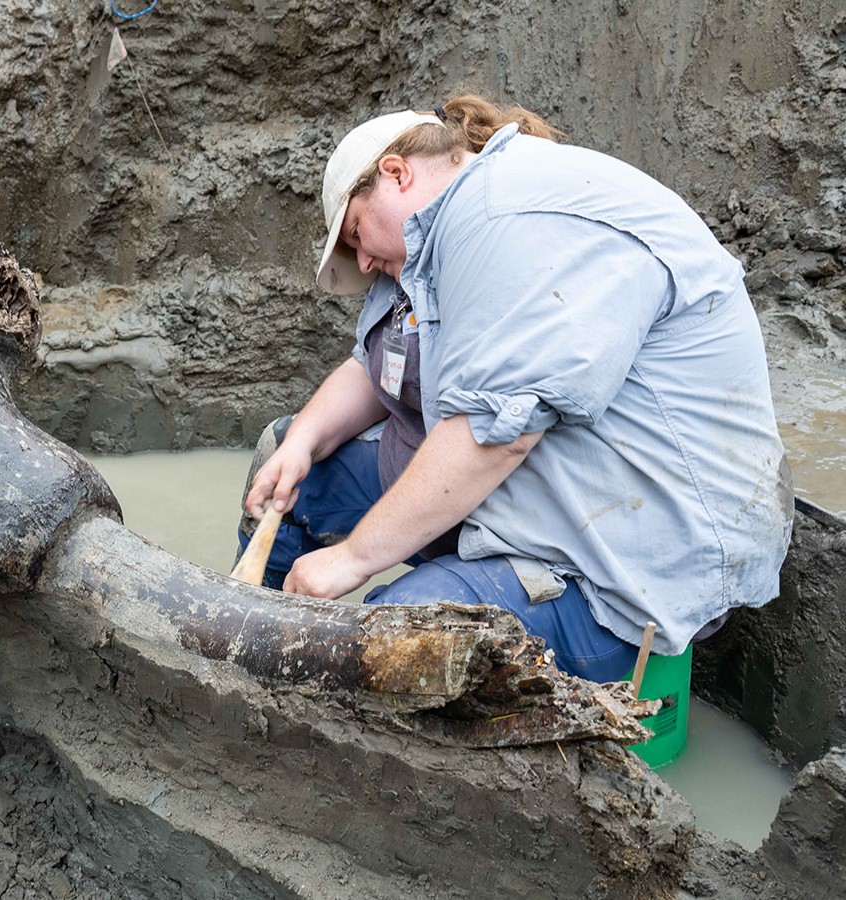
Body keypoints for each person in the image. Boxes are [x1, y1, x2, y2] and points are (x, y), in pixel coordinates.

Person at [241, 95, 792, 681]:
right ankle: (252, 664)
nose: (366, 262)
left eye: (356, 234)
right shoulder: (428, 247)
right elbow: (375, 367)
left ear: (396, 174)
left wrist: (350, 562)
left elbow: (495, 436)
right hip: (522, 503)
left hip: (616, 566)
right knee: (297, 485)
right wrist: (300, 441)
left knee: (395, 640)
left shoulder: (508, 215)